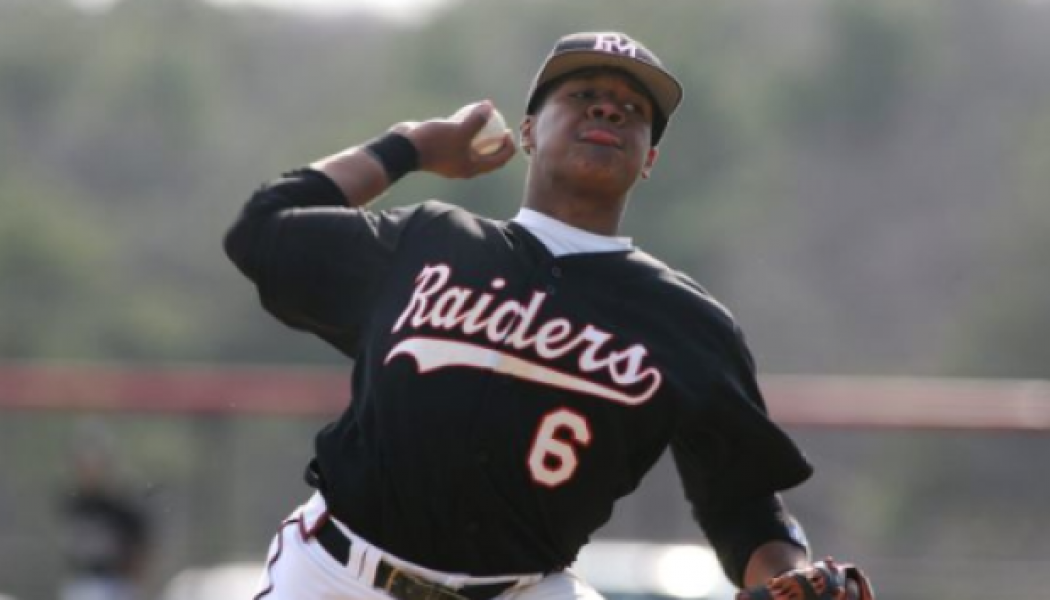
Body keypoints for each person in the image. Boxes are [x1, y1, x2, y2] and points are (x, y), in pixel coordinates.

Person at [225, 31, 874, 600]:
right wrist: (411, 146)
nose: (608, 107)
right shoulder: (427, 243)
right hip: (338, 576)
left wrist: (788, 573)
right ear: (528, 131)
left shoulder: (687, 324)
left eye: (634, 110)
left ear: (648, 159)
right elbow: (264, 229)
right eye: (581, 93)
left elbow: (745, 506)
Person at [57, 429, 151, 600]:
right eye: (84, 465)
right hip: (82, 580)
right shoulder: (75, 504)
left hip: (115, 583)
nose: (89, 471)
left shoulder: (121, 505)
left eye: (95, 465)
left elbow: (140, 547)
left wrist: (132, 580)